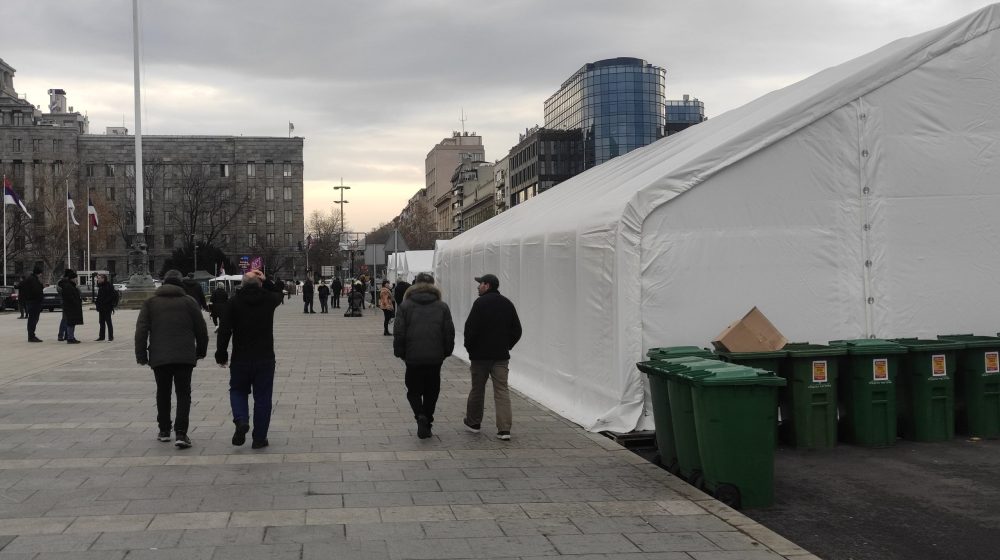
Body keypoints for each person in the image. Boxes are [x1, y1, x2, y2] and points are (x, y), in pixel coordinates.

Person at [134, 269, 209, 449]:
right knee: (183, 394)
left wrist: (141, 355)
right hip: (185, 356)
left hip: (159, 356)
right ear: (180, 284)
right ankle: (181, 433)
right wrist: (201, 351)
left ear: (164, 283)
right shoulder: (189, 302)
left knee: (163, 392)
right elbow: (201, 329)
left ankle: (164, 430)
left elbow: (141, 331)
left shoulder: (150, 303)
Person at [216, 269, 283, 449]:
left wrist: (221, 354)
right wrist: (266, 280)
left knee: (237, 390)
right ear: (260, 284)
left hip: (241, 357)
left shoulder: (233, 302)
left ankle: (241, 419)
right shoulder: (268, 300)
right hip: (265, 357)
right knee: (263, 398)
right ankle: (259, 438)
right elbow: (279, 293)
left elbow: (224, 330)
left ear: (242, 284)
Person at [393, 272, 455, 439]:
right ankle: (427, 419)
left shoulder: (405, 306)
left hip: (412, 357)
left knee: (413, 390)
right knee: (432, 391)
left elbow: (399, 332)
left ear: (415, 284)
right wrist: (446, 351)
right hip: (435, 357)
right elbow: (449, 332)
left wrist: (400, 352)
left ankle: (420, 415)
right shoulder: (442, 306)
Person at [462, 273, 522, 441]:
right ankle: (504, 429)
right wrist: (506, 345)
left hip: (480, 357)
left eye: (480, 283)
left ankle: (474, 423)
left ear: (487, 285)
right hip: (500, 356)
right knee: (502, 390)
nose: (478, 286)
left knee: (477, 389)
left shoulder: (479, 303)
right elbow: (517, 330)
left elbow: (470, 329)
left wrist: (470, 349)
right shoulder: (507, 303)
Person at [58, 269, 84, 344]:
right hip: (70, 307)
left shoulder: (70, 285)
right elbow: (69, 297)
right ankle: (69, 337)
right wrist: (75, 302)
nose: (76, 280)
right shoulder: (68, 286)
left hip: (70, 306)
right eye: (75, 278)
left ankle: (70, 336)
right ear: (72, 278)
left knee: (71, 322)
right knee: (69, 322)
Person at [21, 265, 44, 342]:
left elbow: (21, 286)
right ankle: (31, 336)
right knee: (33, 320)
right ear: (38, 273)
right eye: (41, 273)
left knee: (32, 319)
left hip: (31, 301)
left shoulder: (30, 279)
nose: (41, 275)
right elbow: (36, 291)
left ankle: (31, 335)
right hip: (34, 302)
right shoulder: (33, 280)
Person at [94, 274, 117, 342]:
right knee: (101, 322)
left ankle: (110, 337)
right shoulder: (100, 286)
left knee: (108, 322)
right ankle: (101, 337)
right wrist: (97, 303)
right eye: (98, 278)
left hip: (107, 307)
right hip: (101, 307)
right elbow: (99, 297)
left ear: (103, 279)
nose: (98, 280)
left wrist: (104, 302)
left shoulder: (108, 286)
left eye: (99, 278)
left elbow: (111, 296)